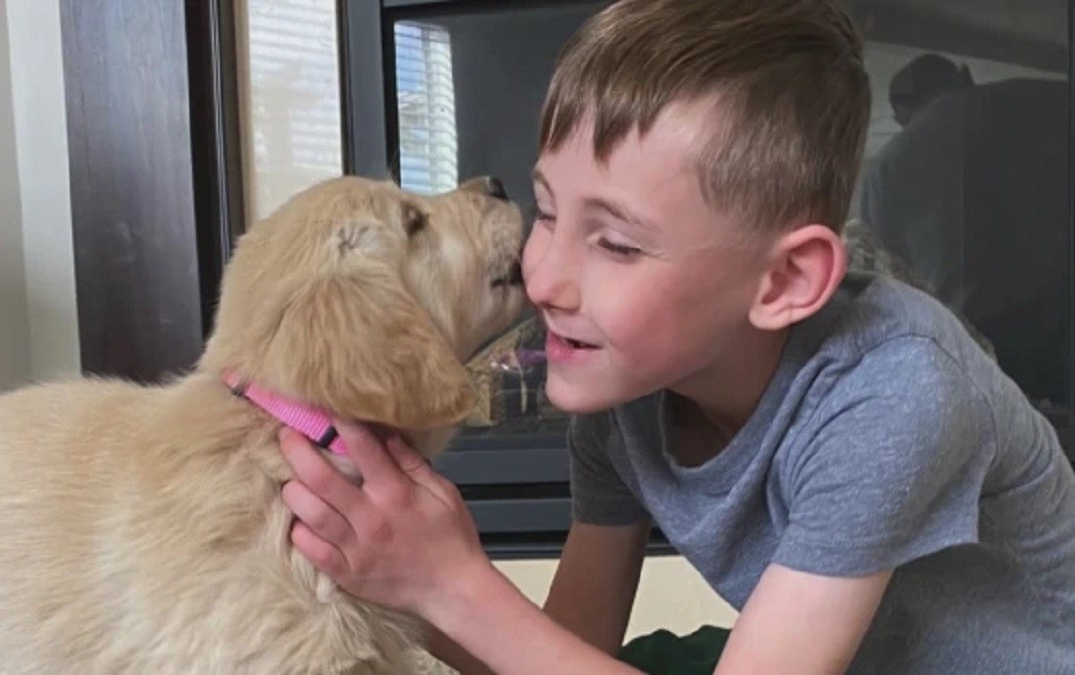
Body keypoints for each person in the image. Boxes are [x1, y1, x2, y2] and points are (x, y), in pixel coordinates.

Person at [278, 1, 1075, 673]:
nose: (544, 279)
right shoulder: (624, 395)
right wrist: (401, 575)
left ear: (786, 282)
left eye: (617, 244)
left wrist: (455, 583)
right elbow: (567, 645)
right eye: (549, 211)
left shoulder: (895, 390)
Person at [857, 53, 1072, 406]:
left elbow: (885, 275)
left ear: (899, 115)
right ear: (966, 76)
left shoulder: (887, 167)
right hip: (1060, 301)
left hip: (980, 328)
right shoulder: (1038, 100)